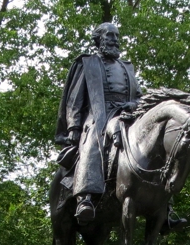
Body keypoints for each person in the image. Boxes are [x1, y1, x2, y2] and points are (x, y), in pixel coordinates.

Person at [55, 22, 142, 225]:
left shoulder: (127, 67)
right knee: (94, 138)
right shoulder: (87, 63)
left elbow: (140, 97)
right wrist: (74, 127)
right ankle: (85, 198)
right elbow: (75, 99)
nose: (115, 39)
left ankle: (164, 206)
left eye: (117, 35)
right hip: (98, 115)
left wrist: (133, 104)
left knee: (154, 136)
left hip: (127, 113)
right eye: (110, 35)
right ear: (99, 39)